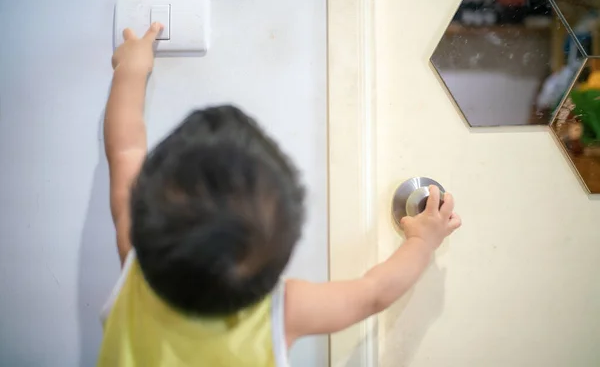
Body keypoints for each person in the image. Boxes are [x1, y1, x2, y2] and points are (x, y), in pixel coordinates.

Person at [97, 22, 462, 367]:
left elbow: (125, 150)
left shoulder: (134, 262)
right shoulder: (284, 311)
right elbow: (374, 293)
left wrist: (130, 71)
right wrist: (422, 239)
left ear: (148, 216)